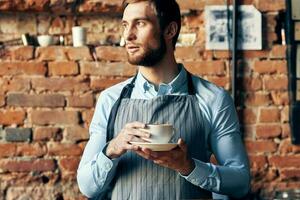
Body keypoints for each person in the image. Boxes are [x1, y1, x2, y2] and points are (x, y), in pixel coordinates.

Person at [77, 0, 250, 199]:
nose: (128, 35)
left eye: (140, 23)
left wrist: (189, 167)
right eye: (125, 25)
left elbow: (240, 181)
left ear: (170, 30)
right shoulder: (111, 100)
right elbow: (87, 186)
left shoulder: (213, 99)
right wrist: (112, 149)